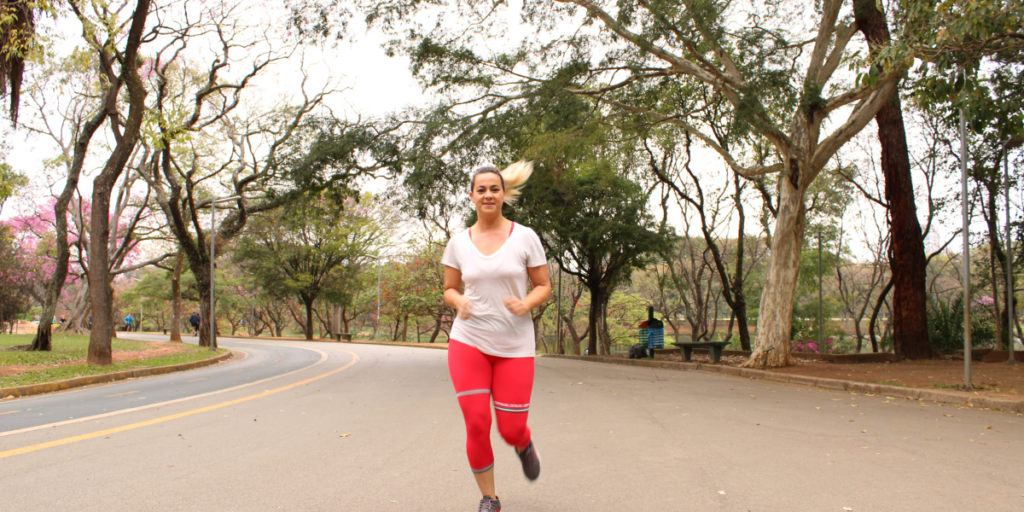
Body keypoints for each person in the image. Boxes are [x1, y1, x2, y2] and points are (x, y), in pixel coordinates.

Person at [441, 162, 551, 512]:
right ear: (471, 196)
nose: (488, 194)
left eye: (495, 188)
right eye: (481, 189)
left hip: (514, 346)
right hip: (468, 340)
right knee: (477, 422)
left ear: (504, 194)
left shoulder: (525, 236)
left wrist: (525, 304)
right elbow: (449, 289)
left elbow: (543, 285)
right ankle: (489, 498)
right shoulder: (458, 242)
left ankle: (523, 444)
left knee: (510, 428)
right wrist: (459, 301)